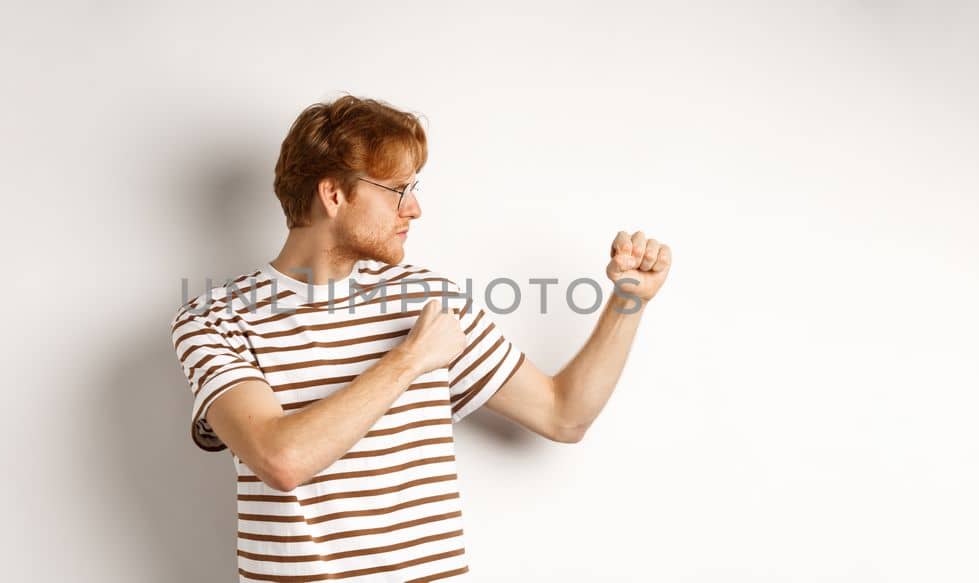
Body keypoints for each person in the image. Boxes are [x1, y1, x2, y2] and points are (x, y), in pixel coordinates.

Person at [170, 94, 671, 582]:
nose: (414, 209)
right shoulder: (216, 319)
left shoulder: (427, 298)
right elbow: (281, 460)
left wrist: (629, 300)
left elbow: (564, 416)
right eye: (398, 190)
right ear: (335, 194)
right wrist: (408, 361)